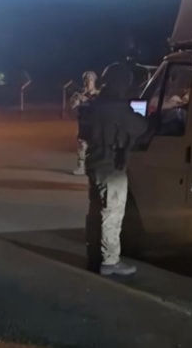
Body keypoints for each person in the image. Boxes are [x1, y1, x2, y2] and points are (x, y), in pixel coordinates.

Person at [85, 63, 148, 276]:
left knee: (96, 212)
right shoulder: (118, 108)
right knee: (112, 214)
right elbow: (141, 127)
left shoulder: (96, 104)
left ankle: (94, 256)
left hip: (94, 163)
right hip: (111, 167)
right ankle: (110, 261)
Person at [69, 71, 99, 175]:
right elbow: (72, 107)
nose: (88, 82)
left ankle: (94, 168)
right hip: (83, 125)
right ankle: (81, 168)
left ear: (94, 81)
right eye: (86, 79)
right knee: (82, 147)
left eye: (91, 79)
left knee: (95, 148)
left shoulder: (99, 95)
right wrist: (76, 101)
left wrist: (88, 101)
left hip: (95, 126)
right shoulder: (79, 95)